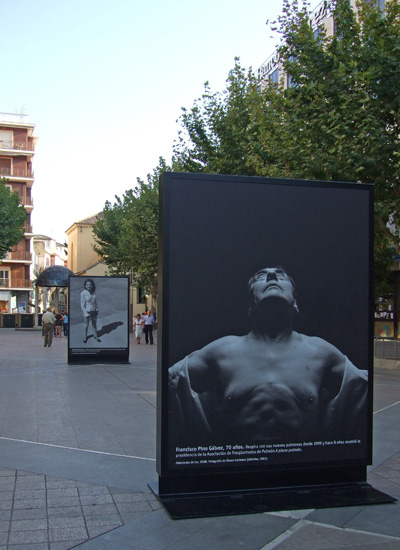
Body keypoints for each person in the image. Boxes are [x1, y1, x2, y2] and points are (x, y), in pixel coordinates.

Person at [169, 266, 368, 445]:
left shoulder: (320, 351)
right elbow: (173, 380)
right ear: (250, 305)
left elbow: (360, 388)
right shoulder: (222, 349)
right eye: (260, 276)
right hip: (238, 466)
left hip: (300, 466)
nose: (272, 276)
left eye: (281, 275)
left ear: (295, 302)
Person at [80, 278, 101, 343]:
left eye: (90, 284)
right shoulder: (83, 293)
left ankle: (96, 336)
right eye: (87, 284)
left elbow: (95, 302)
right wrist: (85, 313)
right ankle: (85, 337)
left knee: (94, 324)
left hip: (94, 311)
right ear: (85, 285)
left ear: (92, 285)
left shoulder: (93, 293)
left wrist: (97, 308)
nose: (89, 286)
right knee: (86, 325)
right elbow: (82, 304)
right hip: (87, 311)